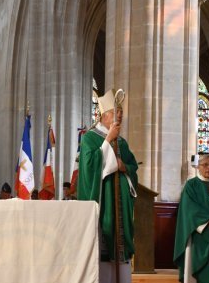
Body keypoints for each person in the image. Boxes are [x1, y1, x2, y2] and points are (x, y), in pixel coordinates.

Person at [78, 89, 138, 283]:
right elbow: (88, 167)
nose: (120, 115)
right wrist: (107, 140)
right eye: (115, 112)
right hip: (104, 201)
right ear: (103, 116)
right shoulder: (90, 138)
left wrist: (124, 167)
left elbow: (132, 167)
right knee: (104, 241)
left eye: (121, 112)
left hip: (121, 203)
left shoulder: (123, 142)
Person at [173, 155, 209, 283]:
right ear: (198, 167)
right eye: (205, 165)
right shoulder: (191, 185)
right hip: (200, 233)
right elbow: (189, 207)